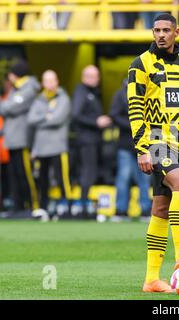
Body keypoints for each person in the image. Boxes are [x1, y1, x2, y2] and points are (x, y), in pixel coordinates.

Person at [127, 13, 179, 293]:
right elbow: (134, 108)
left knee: (160, 209)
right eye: (156, 30)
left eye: (166, 30)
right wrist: (142, 148)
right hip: (155, 141)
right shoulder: (140, 64)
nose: (160, 35)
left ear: (176, 32)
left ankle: (151, 280)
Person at [27, 70, 71, 221]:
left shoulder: (63, 98)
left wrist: (44, 118)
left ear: (57, 81)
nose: (49, 84)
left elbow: (57, 119)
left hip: (58, 147)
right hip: (41, 148)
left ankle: (67, 209)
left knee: (62, 179)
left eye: (52, 80)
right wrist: (47, 115)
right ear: (43, 83)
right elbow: (30, 119)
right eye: (46, 81)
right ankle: (43, 209)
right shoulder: (39, 99)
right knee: (42, 180)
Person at [0, 60, 40, 213]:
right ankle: (18, 206)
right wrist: (7, 106)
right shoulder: (16, 89)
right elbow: (3, 107)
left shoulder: (29, 88)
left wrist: (7, 106)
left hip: (23, 139)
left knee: (26, 175)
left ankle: (34, 205)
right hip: (13, 139)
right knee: (15, 175)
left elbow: (9, 107)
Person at [71, 65, 111, 218]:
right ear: (85, 77)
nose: (97, 79)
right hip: (85, 140)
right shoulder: (82, 92)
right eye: (94, 76)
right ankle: (82, 206)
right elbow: (75, 115)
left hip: (91, 139)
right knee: (88, 172)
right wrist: (96, 121)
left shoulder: (91, 93)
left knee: (89, 172)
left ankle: (84, 205)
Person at [109, 81, 151, 222]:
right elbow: (113, 115)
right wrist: (133, 126)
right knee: (123, 178)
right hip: (126, 144)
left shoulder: (148, 92)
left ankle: (146, 211)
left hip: (144, 145)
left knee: (144, 179)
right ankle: (121, 211)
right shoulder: (121, 94)